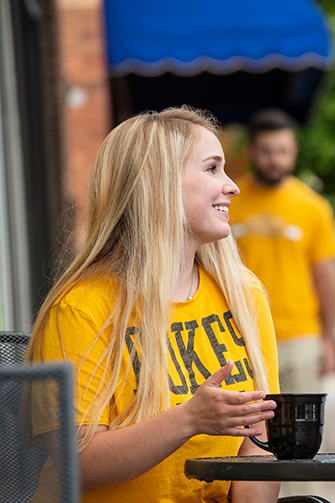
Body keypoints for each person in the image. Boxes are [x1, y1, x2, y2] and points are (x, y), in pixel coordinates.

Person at [25, 106, 280, 502]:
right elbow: (74, 462)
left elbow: (260, 441)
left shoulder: (244, 294)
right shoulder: (82, 306)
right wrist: (189, 419)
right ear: (159, 183)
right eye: (212, 169)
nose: (233, 186)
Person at [230, 108, 335, 393]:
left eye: (282, 151)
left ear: (294, 150)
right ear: (251, 151)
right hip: (241, 334)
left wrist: (329, 339)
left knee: (302, 433)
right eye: (266, 151)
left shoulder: (313, 206)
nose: (274, 159)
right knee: (247, 432)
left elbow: (327, 278)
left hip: (300, 338)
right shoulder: (230, 202)